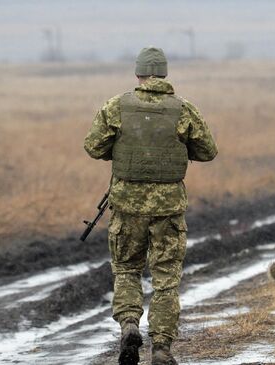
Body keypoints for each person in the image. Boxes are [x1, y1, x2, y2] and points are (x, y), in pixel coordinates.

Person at [83, 46, 218, 365]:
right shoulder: (184, 109)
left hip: (126, 207)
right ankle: (161, 348)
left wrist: (120, 152)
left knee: (127, 269)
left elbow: (92, 146)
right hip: (168, 210)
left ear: (138, 74)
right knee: (166, 278)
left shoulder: (115, 106)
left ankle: (129, 325)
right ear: (165, 74)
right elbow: (207, 151)